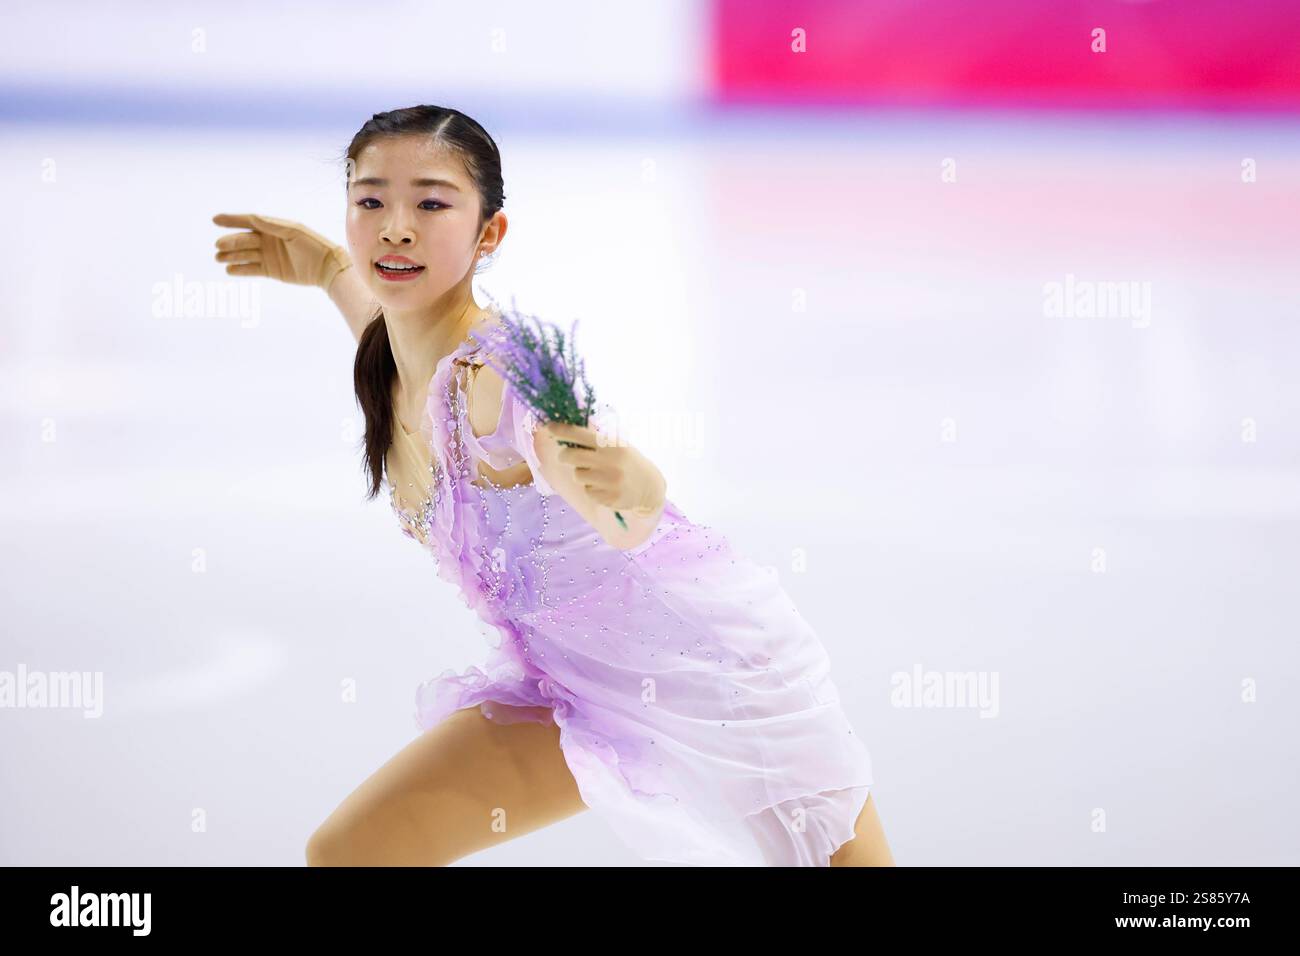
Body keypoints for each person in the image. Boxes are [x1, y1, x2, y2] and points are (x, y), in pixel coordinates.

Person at [212, 104, 894, 867]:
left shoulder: (502, 373)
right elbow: (363, 299)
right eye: (371, 201)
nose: (395, 227)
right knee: (356, 852)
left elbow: (606, 494)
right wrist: (320, 264)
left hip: (713, 674)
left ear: (488, 234)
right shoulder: (390, 348)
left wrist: (629, 487)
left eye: (431, 203)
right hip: (568, 679)